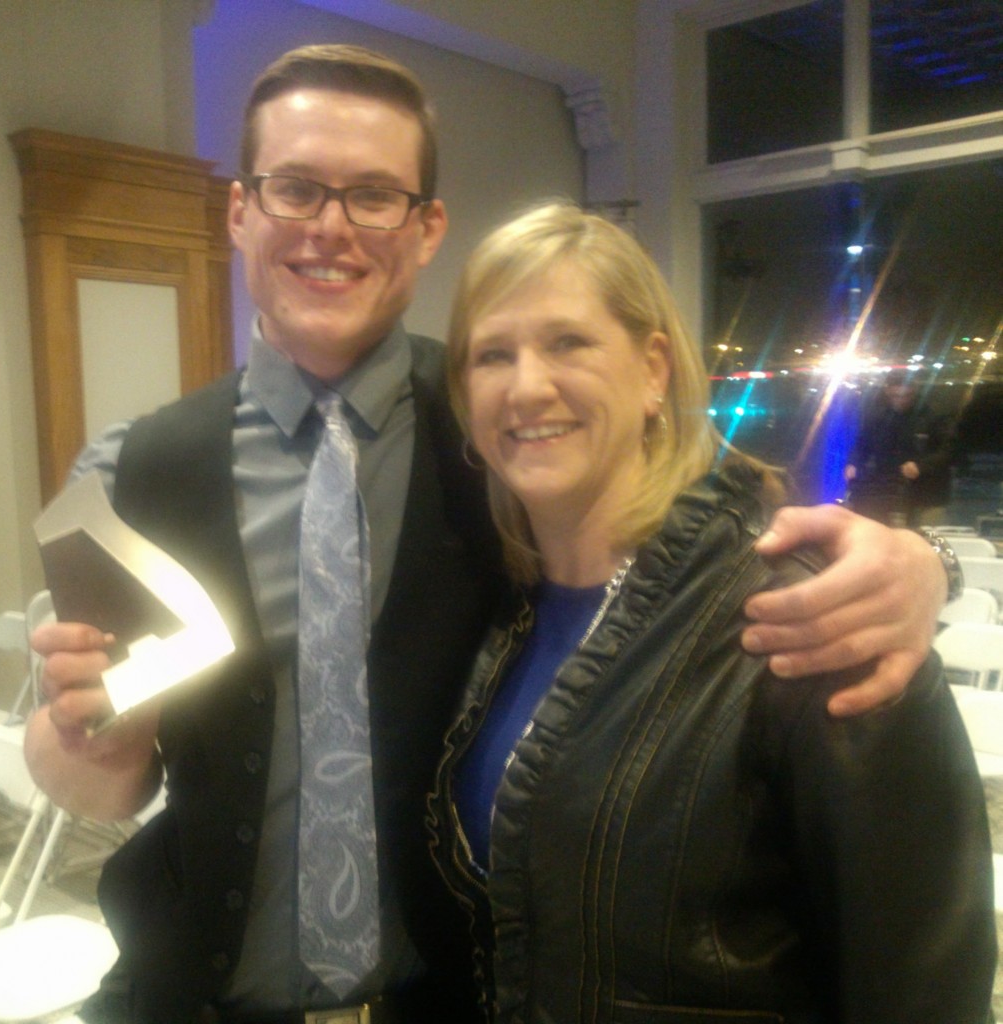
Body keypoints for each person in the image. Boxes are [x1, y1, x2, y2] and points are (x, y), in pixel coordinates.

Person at [23, 45, 960, 1024]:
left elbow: (690, 504)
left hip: (448, 1001)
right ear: (239, 212)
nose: (330, 229)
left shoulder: (503, 440)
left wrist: (904, 561)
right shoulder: (136, 470)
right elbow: (95, 781)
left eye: (374, 195)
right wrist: (80, 737)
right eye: (294, 188)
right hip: (193, 997)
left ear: (428, 229)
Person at [426, 202, 996, 1023]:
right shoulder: (502, 614)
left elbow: (923, 987)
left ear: (654, 369)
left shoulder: (813, 618)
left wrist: (930, 560)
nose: (527, 386)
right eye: (492, 355)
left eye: (567, 342)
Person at [844, 368, 955, 527]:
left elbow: (949, 451)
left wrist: (921, 466)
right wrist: (852, 463)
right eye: (896, 396)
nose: (901, 401)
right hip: (886, 490)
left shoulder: (933, 414)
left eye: (906, 396)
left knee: (922, 538)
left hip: (926, 492)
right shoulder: (878, 415)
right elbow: (862, 444)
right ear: (887, 392)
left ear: (914, 391)